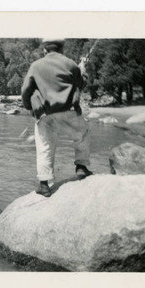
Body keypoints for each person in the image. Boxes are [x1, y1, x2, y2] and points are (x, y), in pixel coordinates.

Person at [21, 38, 93, 197]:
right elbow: (80, 84)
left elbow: (26, 91)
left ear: (45, 49)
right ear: (61, 49)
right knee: (82, 134)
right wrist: (82, 70)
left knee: (45, 145)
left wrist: (29, 108)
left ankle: (44, 185)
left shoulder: (36, 66)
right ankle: (81, 167)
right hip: (68, 110)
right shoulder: (70, 64)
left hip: (45, 114)